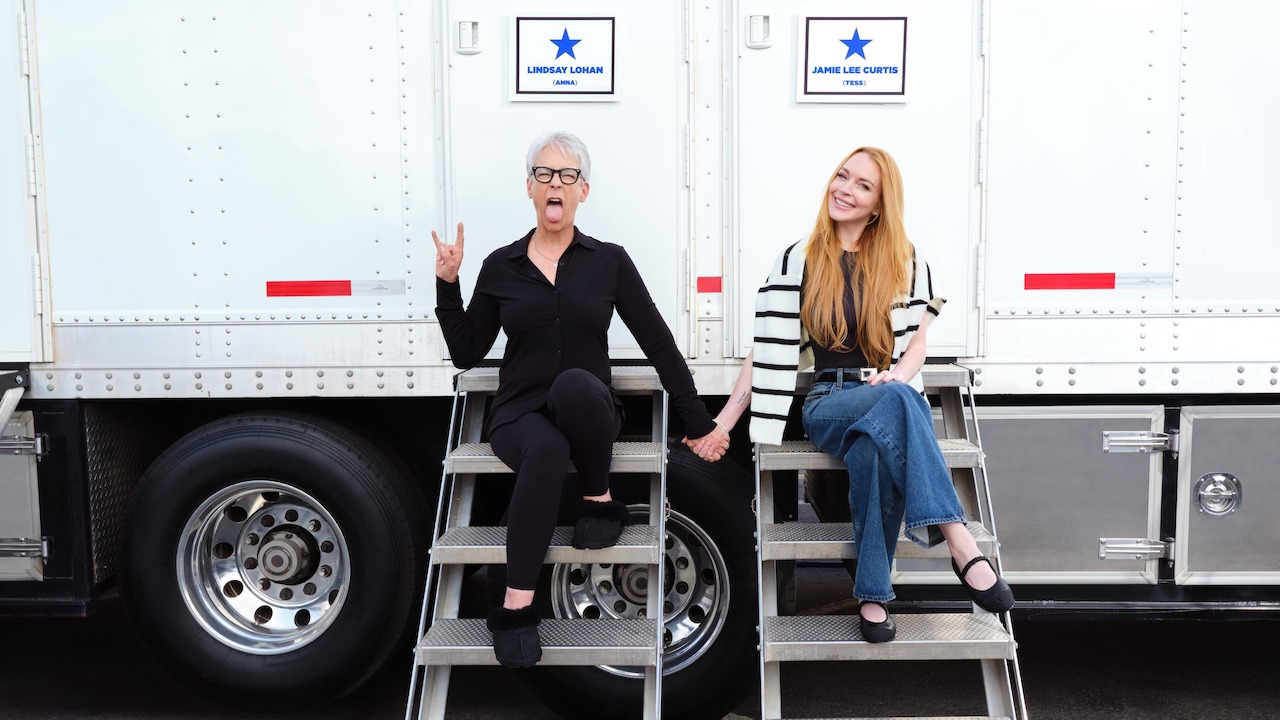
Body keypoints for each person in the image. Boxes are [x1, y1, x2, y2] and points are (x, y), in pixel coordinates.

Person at [432, 131, 731, 668]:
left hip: (587, 407)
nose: (556, 183)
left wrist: (697, 419)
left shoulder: (608, 261)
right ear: (529, 187)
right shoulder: (501, 266)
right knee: (545, 450)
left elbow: (657, 341)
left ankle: (598, 497)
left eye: (567, 175)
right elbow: (466, 352)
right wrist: (447, 285)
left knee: (573, 384)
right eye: (544, 174)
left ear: (583, 191)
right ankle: (516, 607)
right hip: (519, 414)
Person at [697, 147, 1013, 643]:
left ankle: (872, 596)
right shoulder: (799, 258)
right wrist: (724, 423)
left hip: (884, 391)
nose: (845, 189)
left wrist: (896, 376)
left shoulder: (905, 261)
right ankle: (958, 539)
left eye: (863, 185)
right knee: (900, 401)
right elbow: (767, 347)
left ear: (880, 204)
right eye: (842, 176)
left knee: (874, 449)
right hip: (829, 400)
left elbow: (917, 346)